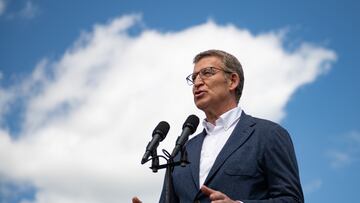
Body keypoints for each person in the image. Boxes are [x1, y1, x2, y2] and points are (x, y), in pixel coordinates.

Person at [133, 49, 304, 203]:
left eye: (207, 73)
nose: (197, 82)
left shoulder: (268, 134)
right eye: (193, 78)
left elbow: (292, 200)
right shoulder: (181, 151)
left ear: (232, 81)